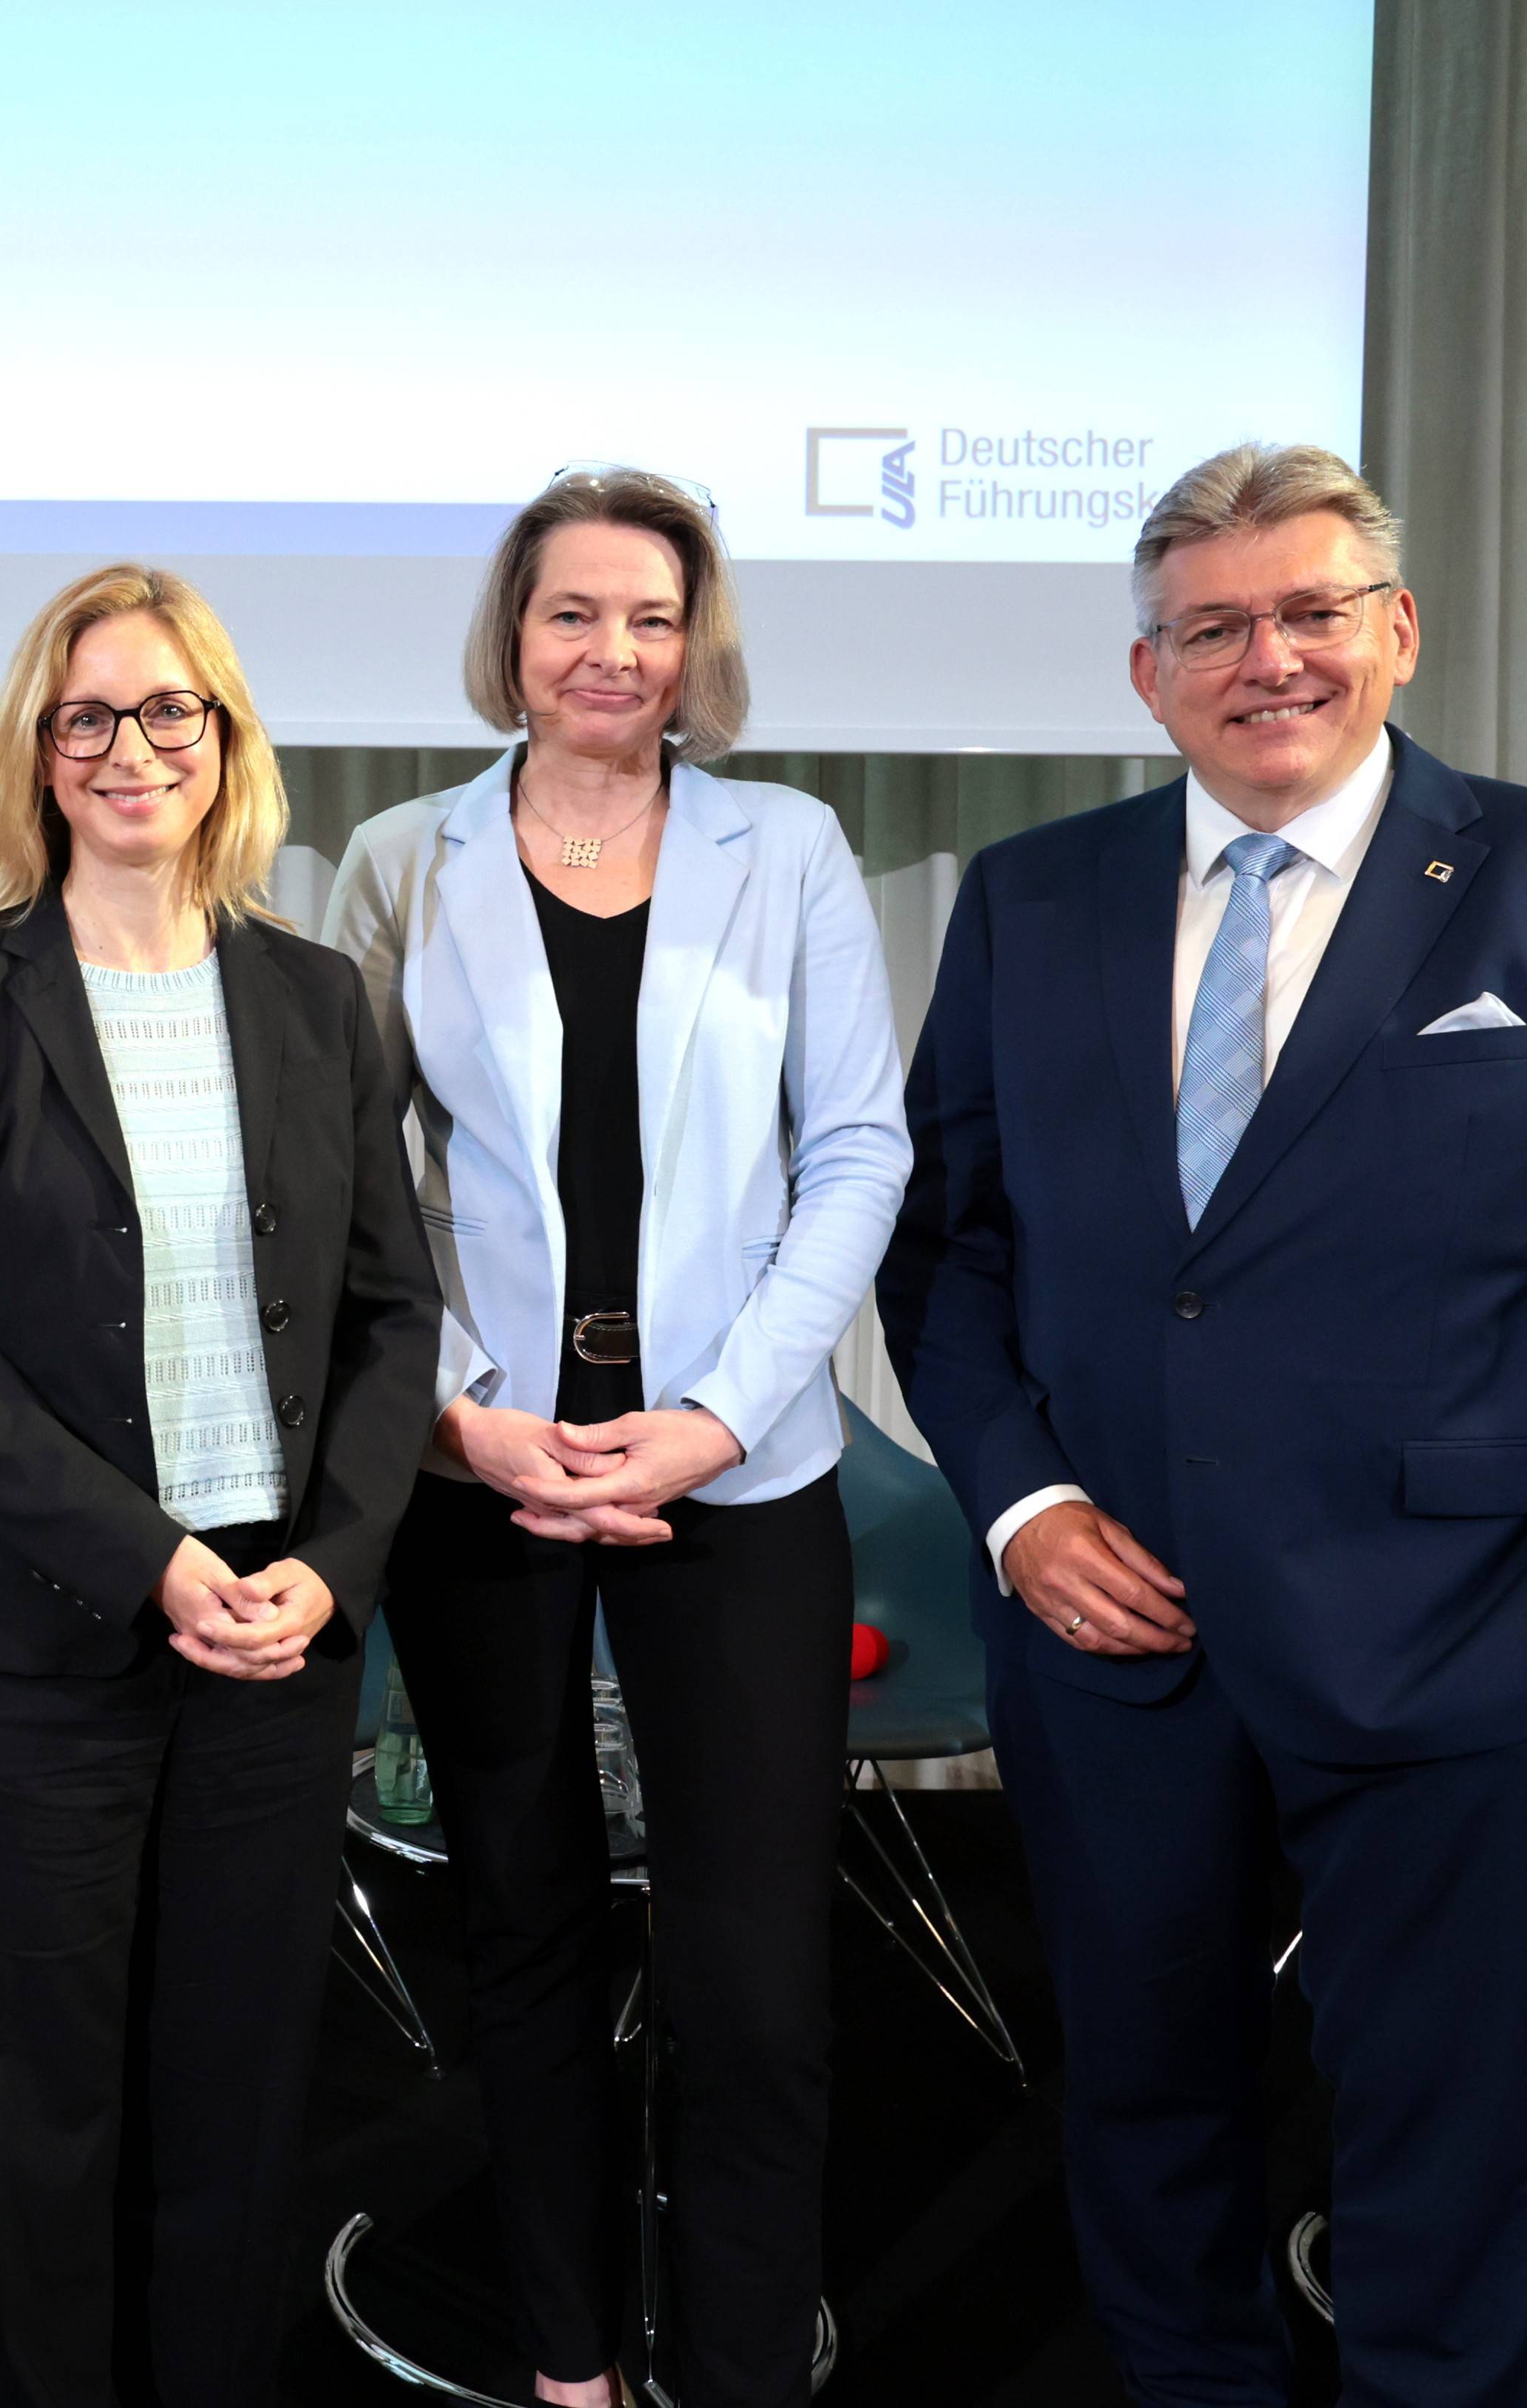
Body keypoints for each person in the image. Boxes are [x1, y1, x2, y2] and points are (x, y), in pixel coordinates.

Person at [878, 444, 1527, 2407]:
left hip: (1450, 1624)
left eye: (1311, 611)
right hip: (1115, 1628)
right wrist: (1019, 1503)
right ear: (1146, 674)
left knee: (1452, 2140)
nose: (1270, 659)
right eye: (1213, 628)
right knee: (1146, 2121)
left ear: (1395, 631)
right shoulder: (1029, 899)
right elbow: (943, 1245)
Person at [324, 468, 907, 2408]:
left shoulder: (790, 846)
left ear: (695, 641)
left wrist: (712, 1414)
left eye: (649, 617)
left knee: (753, 1983)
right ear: (512, 638)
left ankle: (738, 2366)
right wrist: (462, 1420)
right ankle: (566, 2361)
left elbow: (857, 1151)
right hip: (480, 1475)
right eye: (572, 613)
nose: (612, 652)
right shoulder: (402, 856)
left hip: (733, 1476)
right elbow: (355, 1183)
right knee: (522, 1928)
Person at [0, 565, 438, 2404]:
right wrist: (144, 1558)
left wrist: (330, 1567)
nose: (128, 749)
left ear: (225, 744)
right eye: (87, 715)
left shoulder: (319, 999)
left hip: (274, 1636)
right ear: (36, 751)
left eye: (168, 712)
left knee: (238, 2100)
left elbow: (388, 1314)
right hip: (31, 1649)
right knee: (30, 2113)